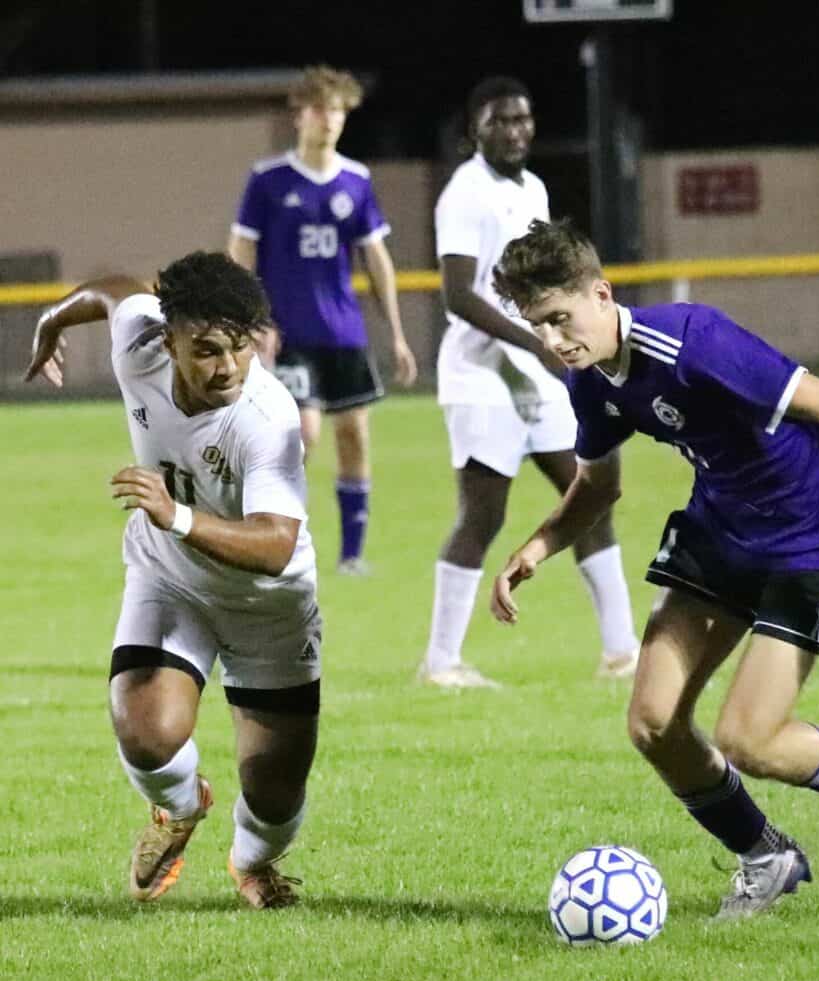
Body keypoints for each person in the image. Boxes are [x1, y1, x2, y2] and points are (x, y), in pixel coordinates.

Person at [489, 219, 819, 919]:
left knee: (749, 739)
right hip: (721, 529)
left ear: (602, 295)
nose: (552, 340)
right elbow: (600, 486)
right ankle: (766, 856)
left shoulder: (693, 340)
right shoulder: (591, 381)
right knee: (651, 723)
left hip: (811, 535)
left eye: (559, 319)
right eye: (536, 326)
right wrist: (539, 545)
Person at [25, 252, 324, 910]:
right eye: (209, 350)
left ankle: (253, 862)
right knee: (145, 729)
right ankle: (180, 811)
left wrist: (177, 513)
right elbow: (116, 289)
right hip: (173, 579)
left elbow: (277, 544)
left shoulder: (265, 418)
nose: (228, 368)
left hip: (267, 605)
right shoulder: (140, 345)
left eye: (241, 349)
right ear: (169, 340)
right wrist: (52, 321)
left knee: (275, 790)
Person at [421, 77, 639, 689]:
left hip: (535, 373)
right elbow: (458, 294)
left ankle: (622, 651)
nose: (514, 130)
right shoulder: (465, 194)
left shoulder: (533, 189)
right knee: (483, 516)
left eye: (522, 119)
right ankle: (441, 662)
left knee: (589, 495)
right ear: (474, 131)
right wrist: (534, 344)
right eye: (499, 121)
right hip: (482, 377)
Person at [228, 65, 417, 576]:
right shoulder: (268, 180)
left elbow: (376, 258)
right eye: (319, 109)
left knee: (354, 434)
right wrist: (249, 318)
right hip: (285, 333)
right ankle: (277, 540)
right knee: (302, 435)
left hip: (343, 332)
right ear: (300, 116)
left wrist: (396, 334)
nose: (328, 119)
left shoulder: (356, 181)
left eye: (336, 110)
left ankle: (352, 556)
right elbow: (242, 248)